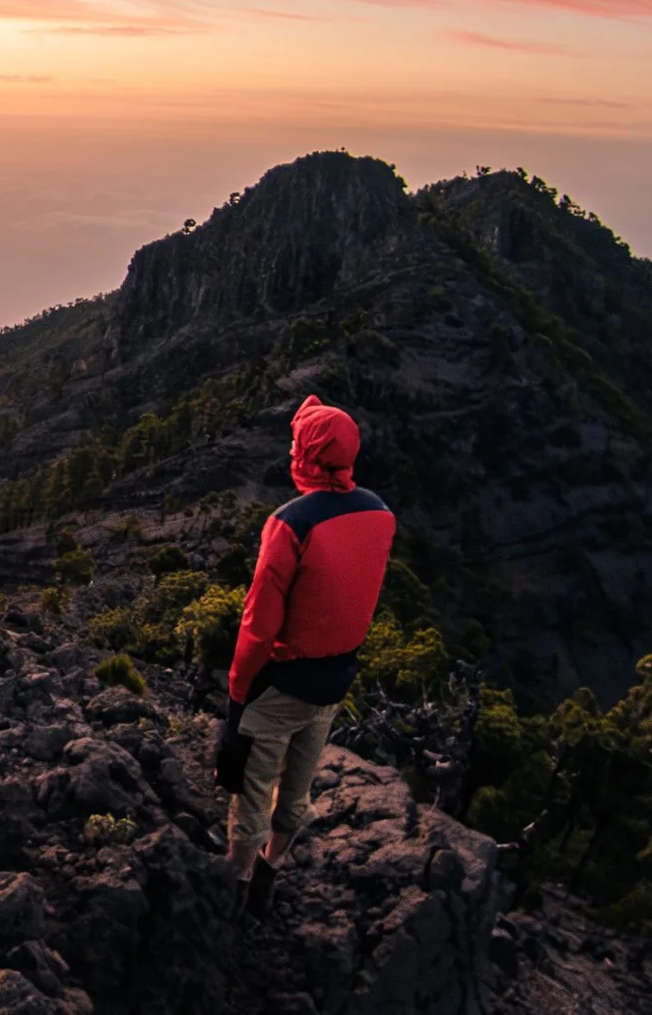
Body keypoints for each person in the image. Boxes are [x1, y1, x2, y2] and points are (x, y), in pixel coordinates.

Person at [215, 394, 394, 920]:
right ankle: (271, 872)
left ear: (307, 456)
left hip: (283, 685)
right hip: (335, 681)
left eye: (296, 444)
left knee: (253, 792)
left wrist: (237, 696)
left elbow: (258, 626)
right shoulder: (380, 514)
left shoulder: (290, 524)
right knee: (296, 791)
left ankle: (238, 885)